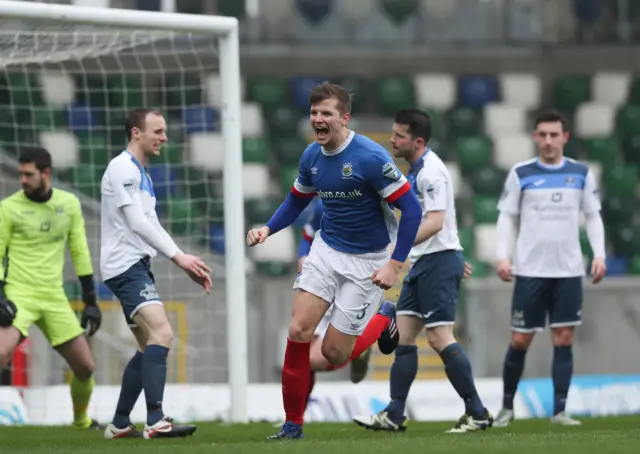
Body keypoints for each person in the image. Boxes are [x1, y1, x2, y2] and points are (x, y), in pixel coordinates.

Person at [247, 82, 423, 440]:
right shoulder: (312, 156)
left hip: (367, 262)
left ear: (344, 118)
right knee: (298, 331)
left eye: (325, 113)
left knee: (333, 352)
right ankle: (293, 424)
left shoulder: (371, 158)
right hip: (326, 251)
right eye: (313, 113)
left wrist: (395, 265)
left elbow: (412, 209)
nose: (317, 119)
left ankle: (382, 320)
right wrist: (268, 228)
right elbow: (297, 199)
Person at [353, 109, 493, 434]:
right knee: (404, 335)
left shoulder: (432, 172)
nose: (392, 139)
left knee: (439, 336)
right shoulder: (415, 171)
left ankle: (478, 411)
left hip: (436, 261)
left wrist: (398, 252)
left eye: (399, 135)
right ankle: (394, 414)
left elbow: (436, 222)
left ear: (417, 141)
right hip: (429, 260)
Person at [101, 108, 213, 440]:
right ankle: (156, 420)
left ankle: (120, 424)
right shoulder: (122, 168)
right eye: (158, 131)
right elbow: (136, 223)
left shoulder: (141, 173)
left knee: (148, 344)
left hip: (136, 265)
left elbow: (151, 224)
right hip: (125, 267)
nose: (164, 137)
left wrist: (183, 259)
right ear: (136, 133)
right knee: (163, 333)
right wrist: (180, 258)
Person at [493, 109, 606, 427]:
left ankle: (559, 411)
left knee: (564, 337)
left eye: (554, 134)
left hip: (568, 271)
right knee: (519, 340)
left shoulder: (581, 173)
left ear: (565, 137)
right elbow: (507, 216)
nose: (548, 140)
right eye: (542, 134)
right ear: (534, 137)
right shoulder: (521, 172)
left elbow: (594, 215)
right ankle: (506, 408)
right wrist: (502, 256)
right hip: (529, 270)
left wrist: (599, 255)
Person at [0, 147, 103, 430]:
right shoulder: (8, 207)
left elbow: (80, 250)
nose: (22, 179)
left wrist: (90, 300)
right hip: (18, 294)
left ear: (46, 173)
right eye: (20, 174)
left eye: (28, 174)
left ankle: (81, 421)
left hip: (54, 297)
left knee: (85, 367)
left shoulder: (68, 204)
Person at [298, 198, 372, 403]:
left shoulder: (367, 206)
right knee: (301, 356)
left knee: (315, 359)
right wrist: (303, 257)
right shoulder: (323, 205)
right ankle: (295, 420)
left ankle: (361, 344)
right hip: (319, 287)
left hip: (348, 290)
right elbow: (307, 237)